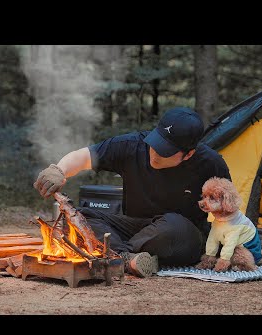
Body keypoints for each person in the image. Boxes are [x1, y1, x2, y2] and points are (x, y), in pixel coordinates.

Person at [33, 107, 231, 278]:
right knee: (74, 217)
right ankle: (127, 259)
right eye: (155, 144)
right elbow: (84, 157)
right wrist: (59, 170)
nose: (154, 154)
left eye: (165, 151)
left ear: (189, 154)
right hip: (133, 227)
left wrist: (237, 249)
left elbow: (229, 214)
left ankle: (112, 252)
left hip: (177, 235)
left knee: (175, 227)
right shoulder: (132, 145)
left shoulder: (210, 164)